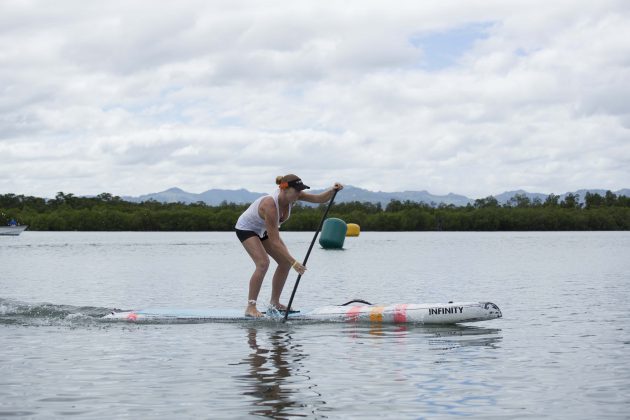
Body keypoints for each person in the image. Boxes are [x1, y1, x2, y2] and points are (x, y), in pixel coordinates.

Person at [235, 174, 343, 317]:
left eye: (300, 190)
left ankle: (275, 303)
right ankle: (250, 307)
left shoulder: (294, 196)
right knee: (263, 263)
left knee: (284, 263)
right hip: (247, 228)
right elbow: (275, 242)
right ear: (284, 189)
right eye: (296, 190)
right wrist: (294, 262)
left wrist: (332, 190)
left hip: (263, 229)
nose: (299, 193)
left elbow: (319, 199)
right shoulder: (270, 205)